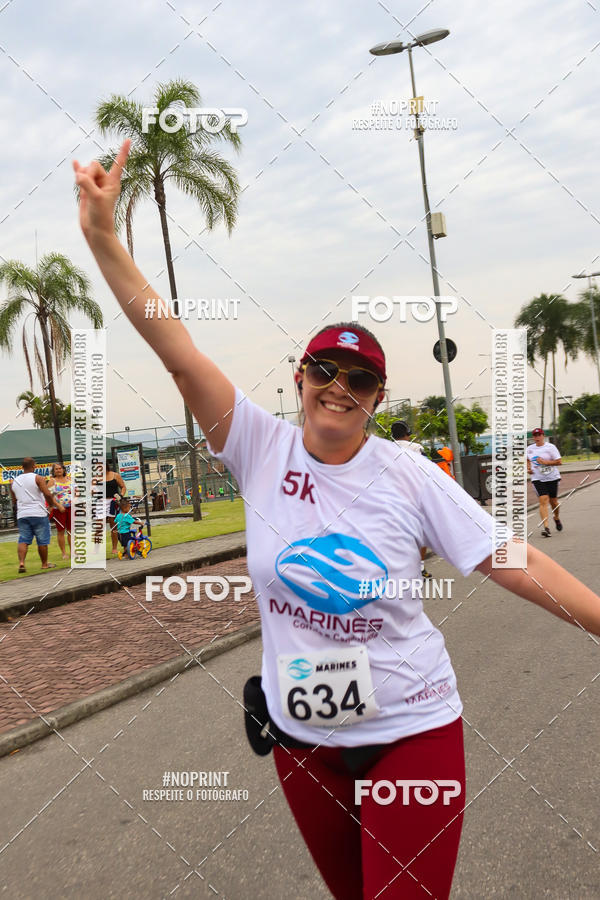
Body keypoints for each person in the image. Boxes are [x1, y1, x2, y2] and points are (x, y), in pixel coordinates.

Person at [74, 140, 600, 900]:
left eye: (361, 380)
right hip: (303, 743)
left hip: (411, 732)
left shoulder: (408, 475)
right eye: (325, 370)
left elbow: (512, 559)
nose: (339, 387)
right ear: (301, 377)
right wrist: (103, 237)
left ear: (377, 399)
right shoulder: (257, 445)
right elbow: (180, 357)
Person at [391, 420, 431, 578]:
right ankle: (420, 568)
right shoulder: (416, 448)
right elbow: (428, 470)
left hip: (392, 497)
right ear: (408, 433)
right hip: (415, 496)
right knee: (421, 533)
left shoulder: (385, 449)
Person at [10, 457, 64, 573]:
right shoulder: (38, 478)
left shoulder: (14, 481)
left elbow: (14, 500)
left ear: (22, 467)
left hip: (22, 514)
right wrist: (50, 506)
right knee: (42, 540)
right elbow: (47, 494)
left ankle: (22, 563)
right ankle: (44, 564)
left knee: (23, 539)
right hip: (38, 512)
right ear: (34, 466)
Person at [526, 427, 562, 537]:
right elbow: (528, 459)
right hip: (538, 478)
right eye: (535, 435)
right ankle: (546, 527)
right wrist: (528, 468)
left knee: (554, 502)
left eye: (539, 435)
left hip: (552, 477)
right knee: (543, 500)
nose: (537, 437)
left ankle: (556, 517)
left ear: (543, 436)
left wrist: (545, 462)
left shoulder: (551, 447)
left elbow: (559, 462)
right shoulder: (529, 449)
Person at [94, 461, 126, 556]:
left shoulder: (115, 475)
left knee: (113, 525)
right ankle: (96, 549)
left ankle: (114, 548)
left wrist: (120, 496)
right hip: (100, 502)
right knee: (99, 526)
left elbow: (123, 487)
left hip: (113, 501)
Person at [47, 462, 72, 559]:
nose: (58, 470)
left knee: (71, 530)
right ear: (53, 471)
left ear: (64, 469)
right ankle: (64, 553)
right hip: (59, 509)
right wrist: (58, 505)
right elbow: (50, 496)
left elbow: (76, 491)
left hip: (71, 507)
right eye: (56, 469)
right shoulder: (52, 481)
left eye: (60, 468)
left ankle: (73, 551)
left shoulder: (69, 479)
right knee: (61, 531)